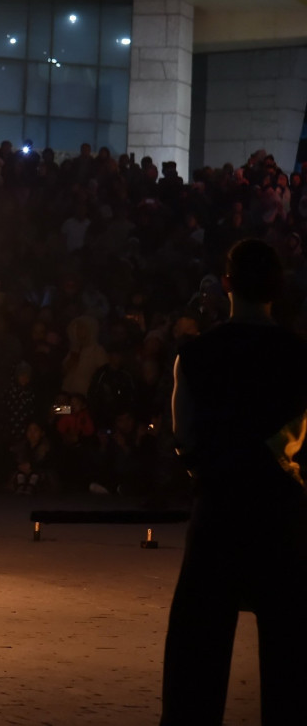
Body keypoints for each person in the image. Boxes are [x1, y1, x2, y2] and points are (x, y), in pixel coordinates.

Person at [162, 239, 307, 725]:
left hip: (218, 511)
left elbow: (184, 437)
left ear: (227, 284)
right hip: (281, 514)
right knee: (291, 659)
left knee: (196, 661)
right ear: (276, 288)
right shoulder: (298, 355)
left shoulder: (197, 355)